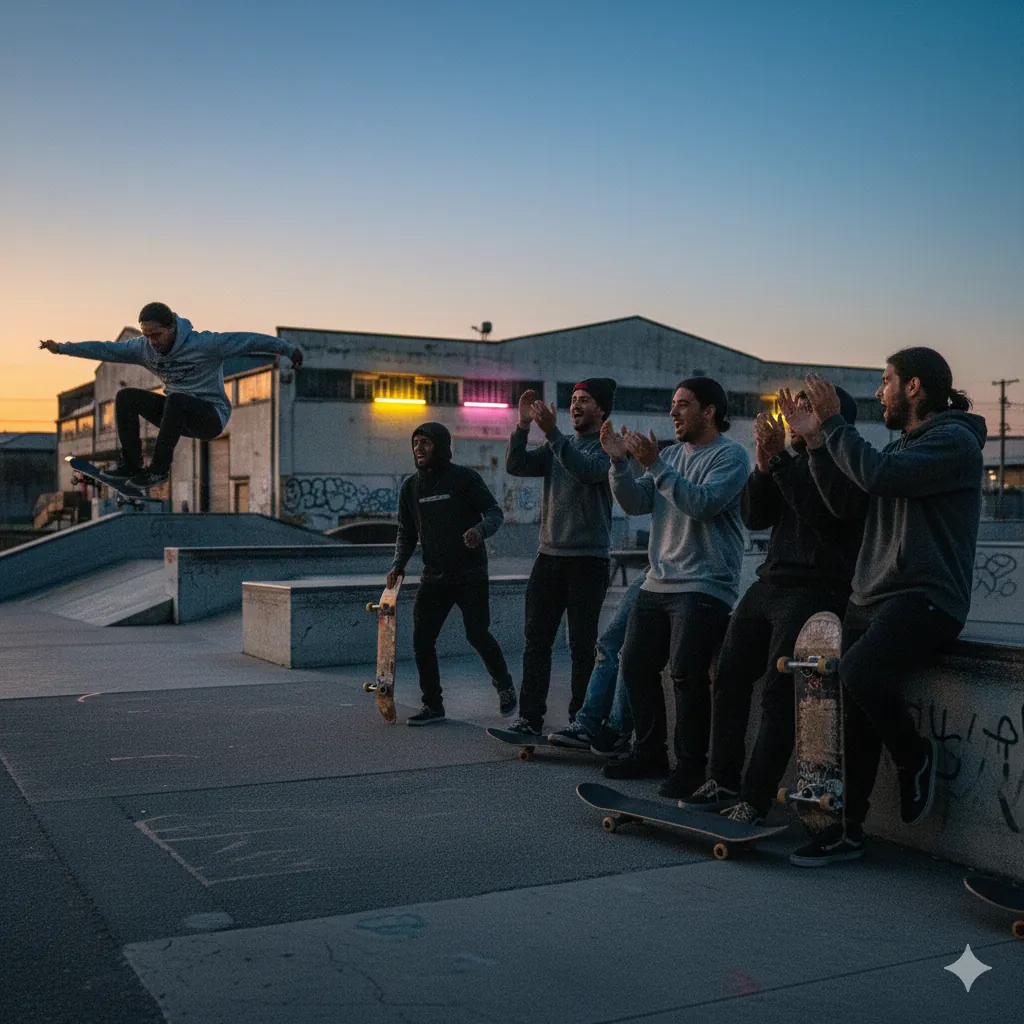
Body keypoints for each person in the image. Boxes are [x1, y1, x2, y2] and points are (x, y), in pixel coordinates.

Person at [782, 348, 986, 866]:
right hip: (869, 594)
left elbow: (875, 477)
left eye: (886, 380)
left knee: (860, 672)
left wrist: (831, 424)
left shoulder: (954, 443)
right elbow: (848, 503)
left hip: (926, 597)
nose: (878, 392)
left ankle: (914, 756)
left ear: (914, 386)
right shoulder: (903, 447)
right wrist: (813, 443)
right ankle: (846, 831)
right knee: (851, 712)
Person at [681, 387, 866, 825]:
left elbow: (823, 514)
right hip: (770, 584)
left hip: (816, 590)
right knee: (727, 676)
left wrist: (781, 461)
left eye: (806, 408)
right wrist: (764, 465)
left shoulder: (847, 464)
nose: (795, 415)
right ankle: (721, 779)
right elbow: (754, 517)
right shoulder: (793, 463)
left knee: (779, 697)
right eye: (794, 407)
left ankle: (755, 797)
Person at [600, 377, 749, 797]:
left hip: (704, 583)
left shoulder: (731, 456)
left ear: (709, 411)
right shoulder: (668, 456)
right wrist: (619, 465)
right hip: (658, 581)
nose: (673, 412)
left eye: (683, 404)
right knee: (633, 665)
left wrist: (655, 466)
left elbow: (702, 504)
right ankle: (649, 751)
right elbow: (635, 503)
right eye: (672, 404)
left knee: (686, 673)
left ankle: (690, 767)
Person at [40, 301, 302, 490]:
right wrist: (63, 348)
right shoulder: (143, 349)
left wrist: (289, 349)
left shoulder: (205, 344)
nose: (152, 342)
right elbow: (106, 350)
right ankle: (132, 464)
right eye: (146, 335)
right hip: (175, 417)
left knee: (176, 400)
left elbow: (250, 341)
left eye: (156, 335)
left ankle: (158, 470)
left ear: (172, 327)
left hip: (210, 418)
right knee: (126, 397)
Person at [504, 378, 616, 736]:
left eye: (585, 399)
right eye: (573, 399)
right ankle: (529, 717)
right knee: (536, 643)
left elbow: (585, 472)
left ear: (601, 410)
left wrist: (551, 435)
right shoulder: (560, 444)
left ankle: (579, 721)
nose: (576, 404)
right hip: (548, 558)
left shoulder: (607, 449)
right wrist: (523, 425)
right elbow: (516, 465)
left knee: (582, 646)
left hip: (588, 562)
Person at [388, 422, 517, 725]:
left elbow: (495, 513)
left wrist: (479, 531)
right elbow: (406, 532)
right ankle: (433, 705)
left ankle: (504, 684)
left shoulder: (464, 479)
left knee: (477, 633)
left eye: (426, 443)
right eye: (415, 442)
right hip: (434, 576)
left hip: (470, 574)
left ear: (442, 446)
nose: (419, 449)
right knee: (422, 640)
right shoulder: (410, 487)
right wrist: (398, 564)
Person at [547, 566, 645, 756]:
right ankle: (588, 723)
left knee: (630, 650)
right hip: (654, 569)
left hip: (690, 572)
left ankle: (618, 729)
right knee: (608, 643)